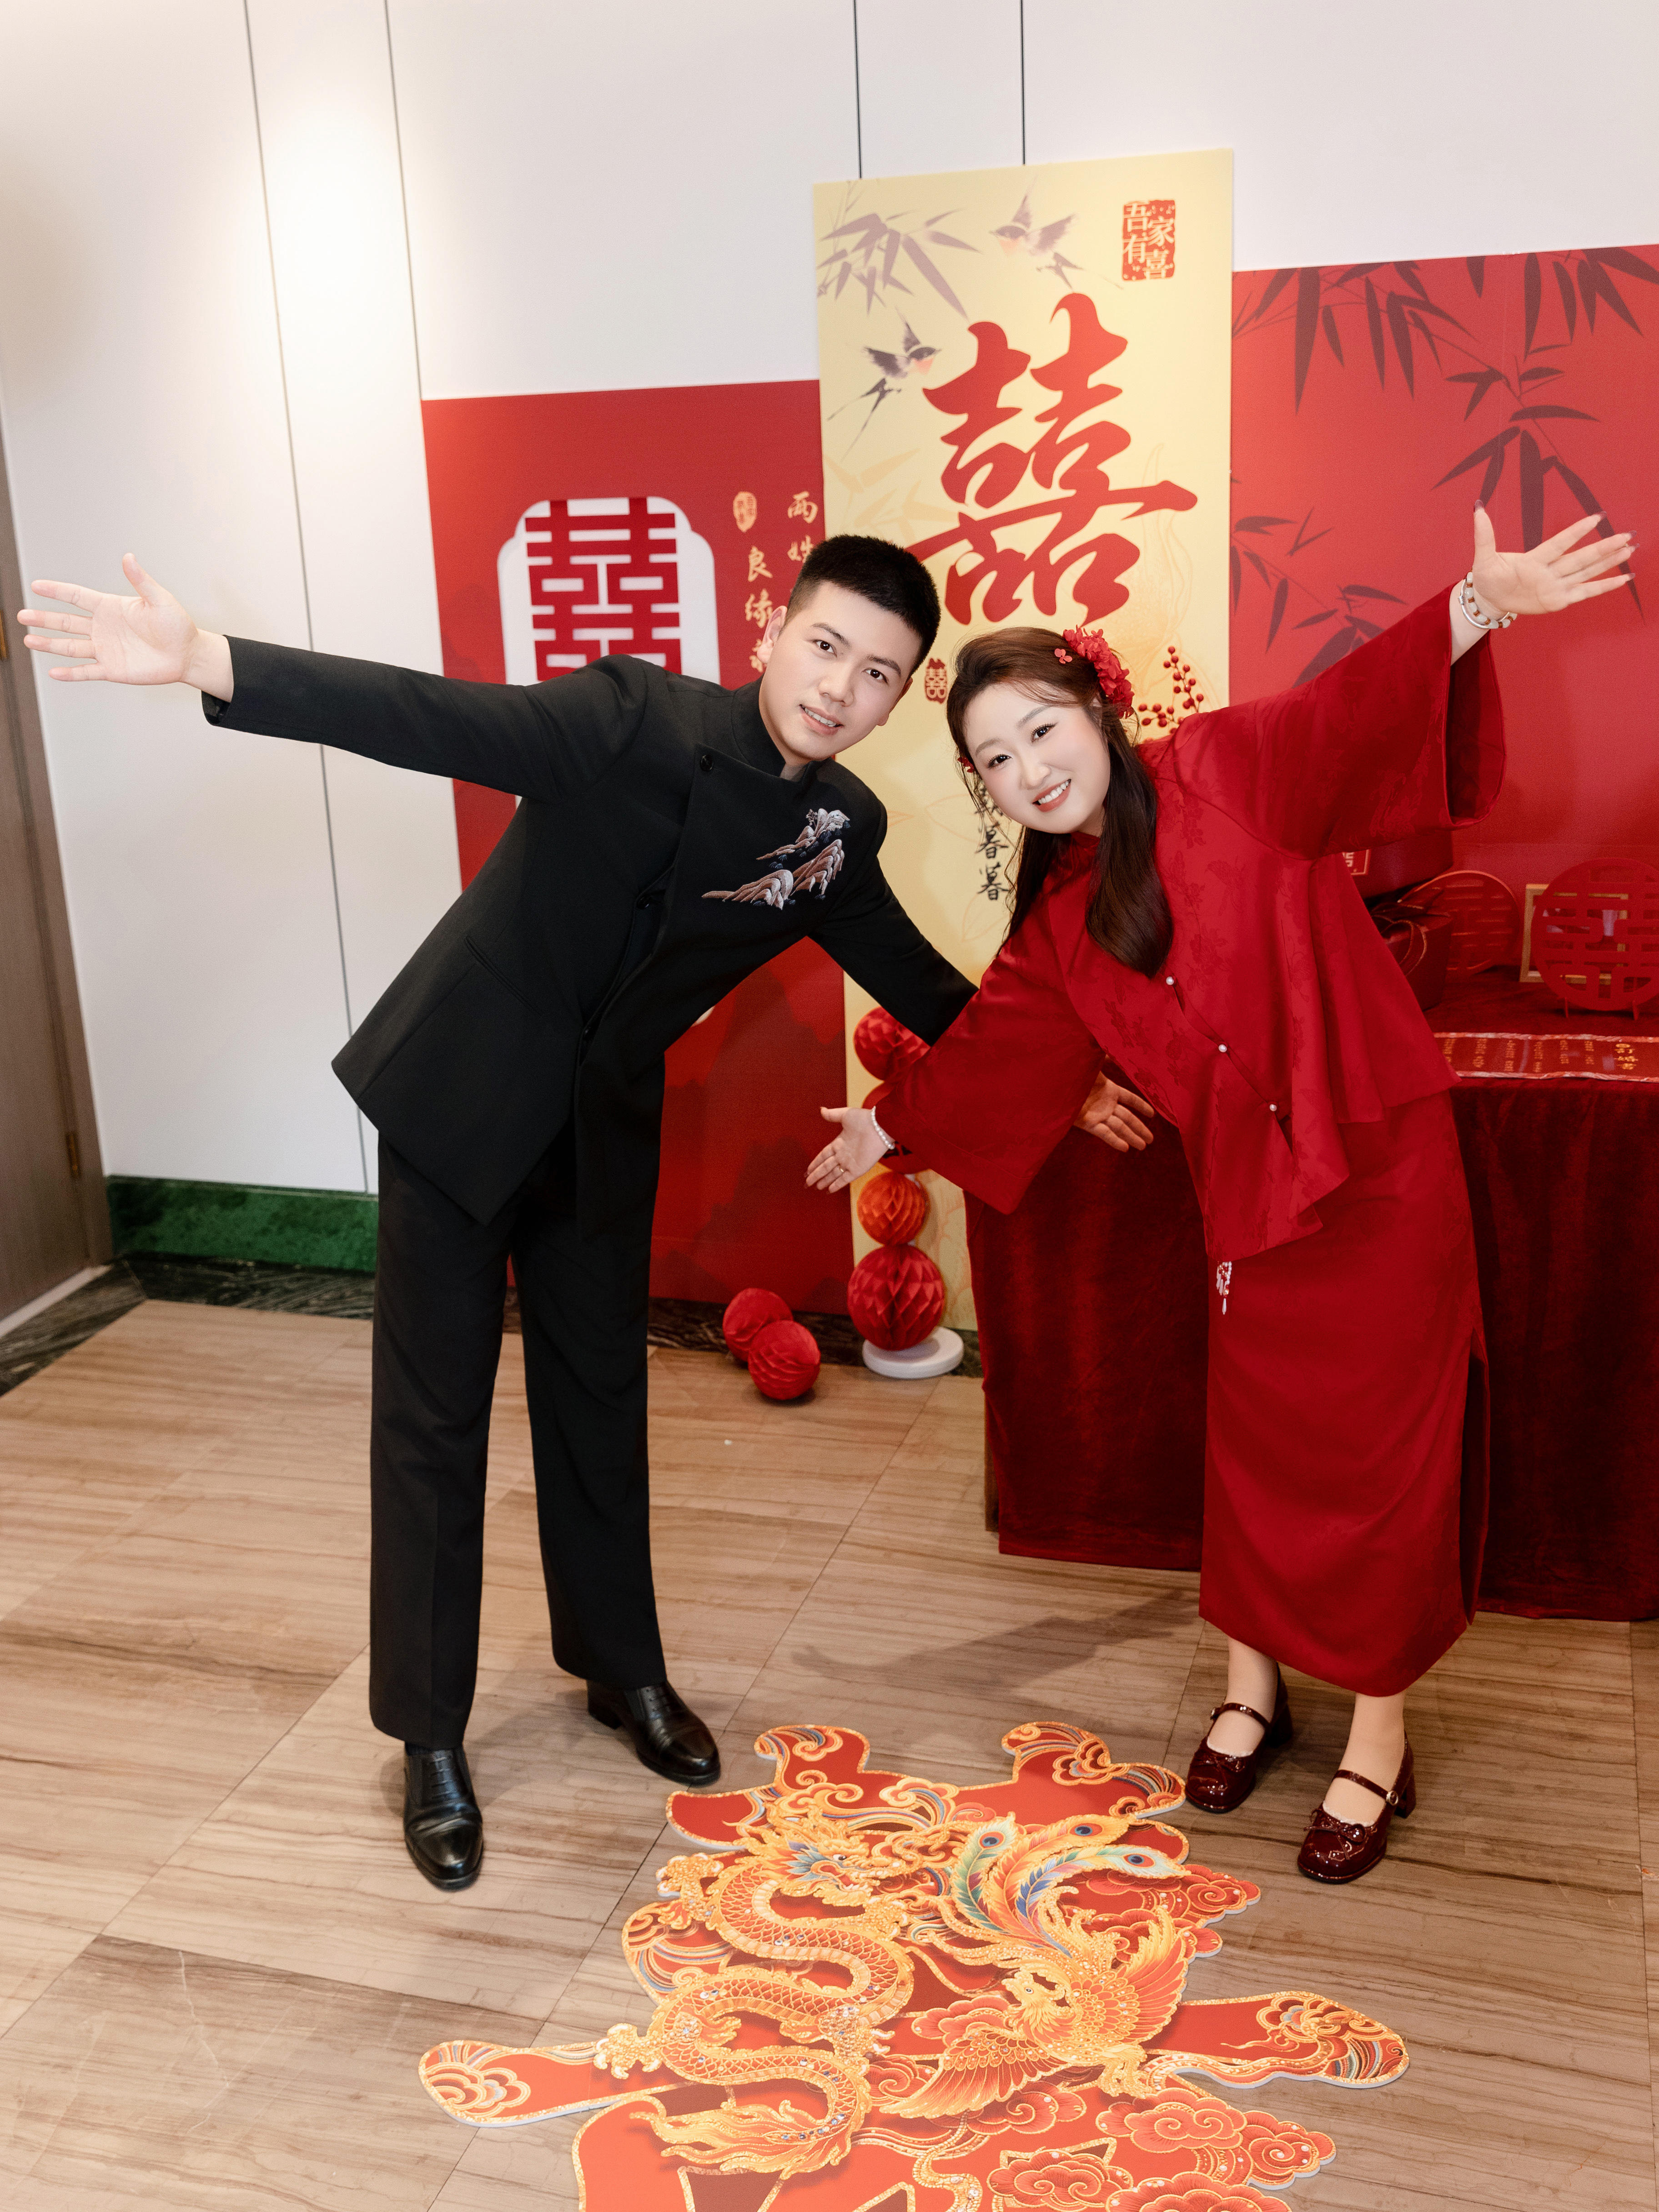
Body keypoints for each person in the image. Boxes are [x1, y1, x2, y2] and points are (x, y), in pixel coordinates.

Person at [20, 535, 974, 1890]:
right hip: (463, 1091)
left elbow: (937, 994)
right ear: (774, 629)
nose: (838, 688)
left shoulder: (839, 834)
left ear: (898, 699)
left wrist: (1094, 1063)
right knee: (434, 1418)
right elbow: (428, 716)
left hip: (600, 1127)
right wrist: (208, 661)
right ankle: (430, 1738)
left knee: (601, 1399)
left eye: (877, 674)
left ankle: (622, 1672)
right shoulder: (632, 715)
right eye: (825, 646)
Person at [808, 508, 1633, 1885]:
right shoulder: (1061, 927)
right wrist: (887, 1119)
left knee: (1383, 1463)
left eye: (1042, 732)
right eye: (996, 761)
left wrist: (1476, 604)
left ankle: (1378, 1734)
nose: (1030, 771)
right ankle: (1253, 1689)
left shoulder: (1229, 768)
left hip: (1381, 1171)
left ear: (1097, 707)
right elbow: (1001, 1051)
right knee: (1255, 1454)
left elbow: (1350, 711)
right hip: (1250, 1204)